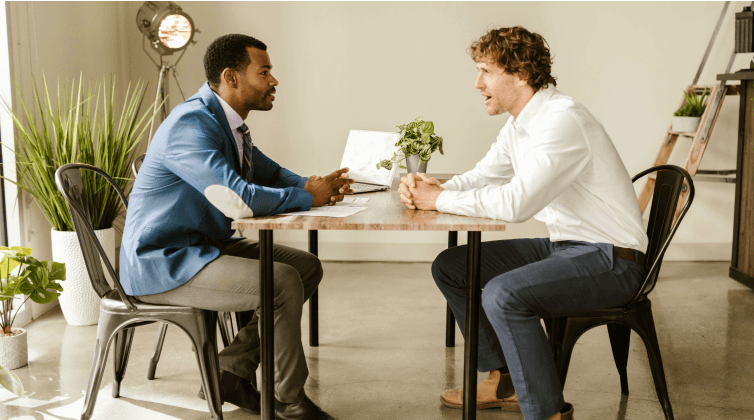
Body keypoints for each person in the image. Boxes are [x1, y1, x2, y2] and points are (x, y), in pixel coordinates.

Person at [399, 26, 648, 420]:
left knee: (503, 294)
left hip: (612, 259)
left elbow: (517, 204)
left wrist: (438, 199)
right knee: (452, 266)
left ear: (521, 74)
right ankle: (504, 380)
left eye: (485, 71)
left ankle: (548, 412)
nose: (477, 82)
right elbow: (482, 176)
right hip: (568, 246)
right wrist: (434, 186)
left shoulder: (561, 119)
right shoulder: (519, 124)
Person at [120, 34, 351, 420]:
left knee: (306, 267)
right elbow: (238, 197)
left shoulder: (228, 123)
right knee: (281, 282)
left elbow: (271, 172)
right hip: (164, 260)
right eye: (265, 72)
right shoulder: (190, 124)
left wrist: (315, 185)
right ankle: (290, 401)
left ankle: (231, 370)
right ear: (231, 77)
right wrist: (310, 197)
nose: (274, 81)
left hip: (204, 246)